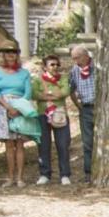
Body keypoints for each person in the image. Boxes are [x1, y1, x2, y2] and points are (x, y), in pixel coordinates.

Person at [0, 42, 33, 187]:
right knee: (9, 144)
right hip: (3, 107)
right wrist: (8, 107)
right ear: (2, 55)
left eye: (13, 52)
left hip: (20, 105)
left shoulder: (24, 72)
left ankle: (20, 178)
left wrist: (19, 107)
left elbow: (28, 92)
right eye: (7, 52)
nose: (11, 55)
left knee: (19, 144)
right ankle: (10, 177)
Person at [32, 54, 71, 186]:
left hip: (60, 114)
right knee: (44, 145)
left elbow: (65, 92)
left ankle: (65, 174)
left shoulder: (63, 78)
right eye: (51, 65)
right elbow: (34, 94)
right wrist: (55, 94)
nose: (55, 67)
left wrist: (46, 95)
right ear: (45, 67)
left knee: (63, 144)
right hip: (42, 114)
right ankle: (44, 174)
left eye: (56, 64)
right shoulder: (38, 80)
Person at [67, 44, 95, 183]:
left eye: (77, 58)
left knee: (103, 141)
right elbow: (70, 90)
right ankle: (88, 173)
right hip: (86, 108)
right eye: (73, 58)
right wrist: (79, 106)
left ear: (85, 55)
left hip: (101, 108)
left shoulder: (98, 66)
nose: (76, 61)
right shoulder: (74, 71)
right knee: (87, 143)